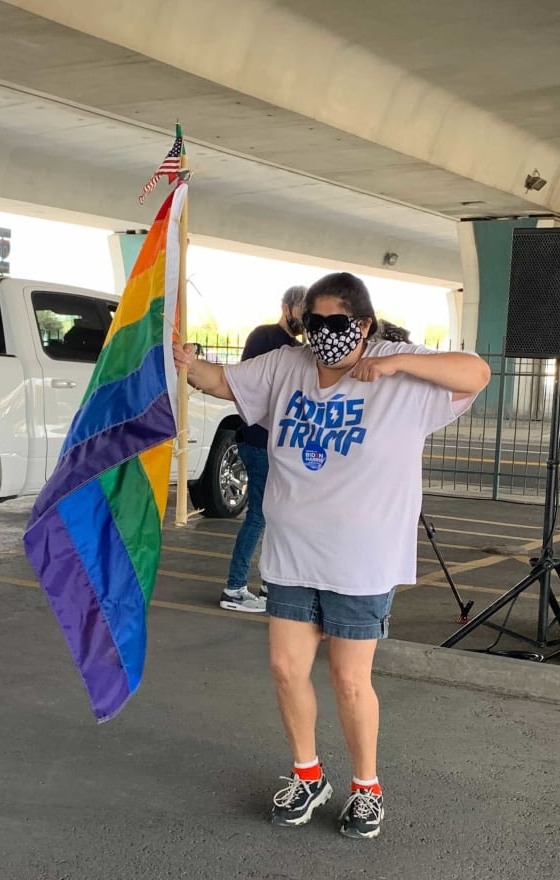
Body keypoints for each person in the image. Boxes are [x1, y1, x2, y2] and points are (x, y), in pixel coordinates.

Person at [173, 272, 489, 840]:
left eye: (335, 324)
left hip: (360, 559)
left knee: (348, 679)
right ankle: (307, 774)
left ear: (363, 324)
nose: (323, 335)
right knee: (286, 669)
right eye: (313, 323)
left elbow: (476, 372)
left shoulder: (400, 366)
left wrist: (393, 365)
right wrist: (185, 360)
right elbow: (222, 382)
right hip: (293, 553)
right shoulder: (287, 365)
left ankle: (367, 787)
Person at [219, 284, 306, 613]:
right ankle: (235, 587)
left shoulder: (296, 348)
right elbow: (250, 385)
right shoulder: (266, 339)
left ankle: (269, 584)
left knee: (274, 516)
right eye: (300, 310)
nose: (303, 317)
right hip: (258, 441)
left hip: (275, 444)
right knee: (258, 516)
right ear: (286, 307)